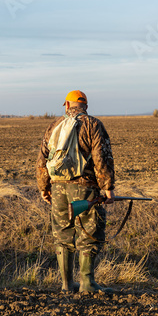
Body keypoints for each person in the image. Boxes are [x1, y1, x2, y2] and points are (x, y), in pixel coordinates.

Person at [36, 90, 115, 293]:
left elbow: (42, 159)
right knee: (89, 231)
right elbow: (101, 157)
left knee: (62, 234)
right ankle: (87, 284)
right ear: (85, 106)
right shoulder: (93, 124)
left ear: (66, 105)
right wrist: (107, 187)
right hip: (85, 188)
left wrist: (44, 187)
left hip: (58, 188)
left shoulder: (54, 126)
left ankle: (66, 284)